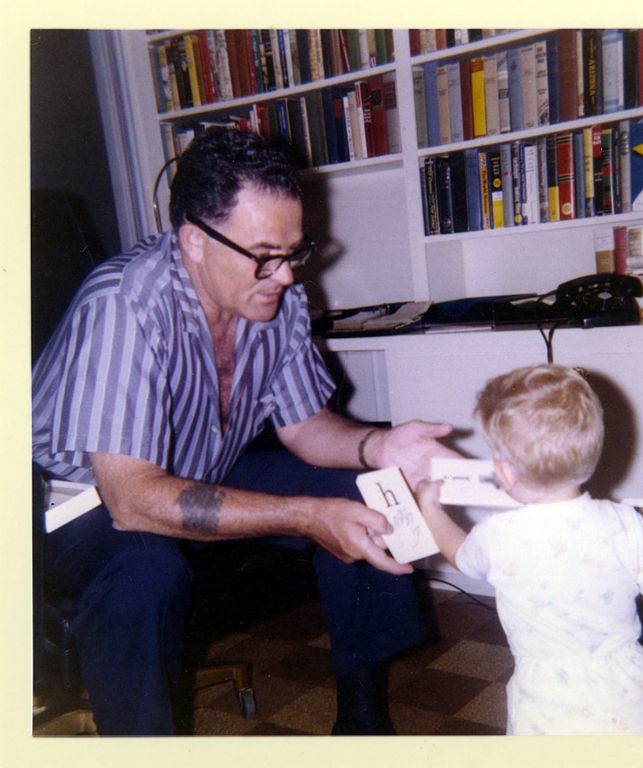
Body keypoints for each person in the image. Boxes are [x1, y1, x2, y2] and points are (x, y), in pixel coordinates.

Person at [32, 127, 459, 735]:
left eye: (294, 253)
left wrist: (378, 446)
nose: (284, 277)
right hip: (67, 505)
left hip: (192, 465)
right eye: (264, 254)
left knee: (360, 488)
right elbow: (130, 500)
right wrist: (305, 516)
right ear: (194, 243)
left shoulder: (272, 296)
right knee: (145, 572)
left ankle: (364, 727)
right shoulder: (124, 304)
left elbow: (306, 426)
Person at [416, 363, 643, 735]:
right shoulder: (628, 524)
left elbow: (458, 553)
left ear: (505, 473)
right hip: (628, 701)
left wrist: (430, 509)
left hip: (545, 702)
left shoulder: (497, 535)